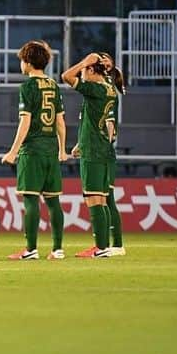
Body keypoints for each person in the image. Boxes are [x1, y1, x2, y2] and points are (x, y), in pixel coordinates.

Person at [1, 40, 68, 261]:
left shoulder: (28, 87)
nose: (21, 64)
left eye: (22, 60)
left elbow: (25, 121)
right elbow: (60, 122)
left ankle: (31, 249)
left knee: (30, 199)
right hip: (50, 149)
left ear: (28, 63)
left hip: (32, 150)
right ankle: (57, 249)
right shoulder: (53, 85)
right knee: (53, 201)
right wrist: (62, 149)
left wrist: (13, 151)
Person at [62, 52, 118, 258]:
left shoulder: (95, 89)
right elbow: (95, 120)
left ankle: (101, 247)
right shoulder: (110, 88)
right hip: (99, 147)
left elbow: (66, 76)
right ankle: (102, 246)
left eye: (86, 70)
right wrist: (79, 143)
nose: (83, 73)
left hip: (94, 151)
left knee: (94, 199)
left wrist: (83, 62)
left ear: (92, 70)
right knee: (101, 199)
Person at [99, 52, 127, 256]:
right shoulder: (105, 88)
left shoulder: (106, 89)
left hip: (103, 150)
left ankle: (116, 244)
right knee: (104, 197)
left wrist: (107, 141)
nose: (102, 62)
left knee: (106, 197)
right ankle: (110, 244)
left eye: (105, 59)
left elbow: (109, 120)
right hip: (99, 146)